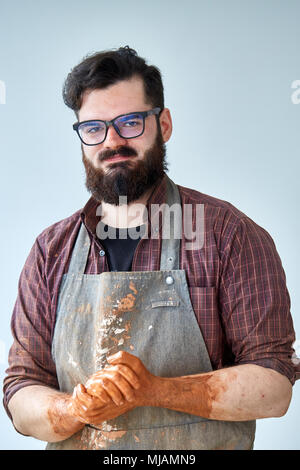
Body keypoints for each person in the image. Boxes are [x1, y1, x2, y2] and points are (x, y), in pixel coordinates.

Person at [3, 46, 299, 451]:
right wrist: (74, 409)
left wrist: (155, 391)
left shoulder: (228, 235)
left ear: (164, 123)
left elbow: (275, 383)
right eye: (94, 128)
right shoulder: (50, 251)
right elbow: (21, 392)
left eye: (130, 123)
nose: (112, 141)